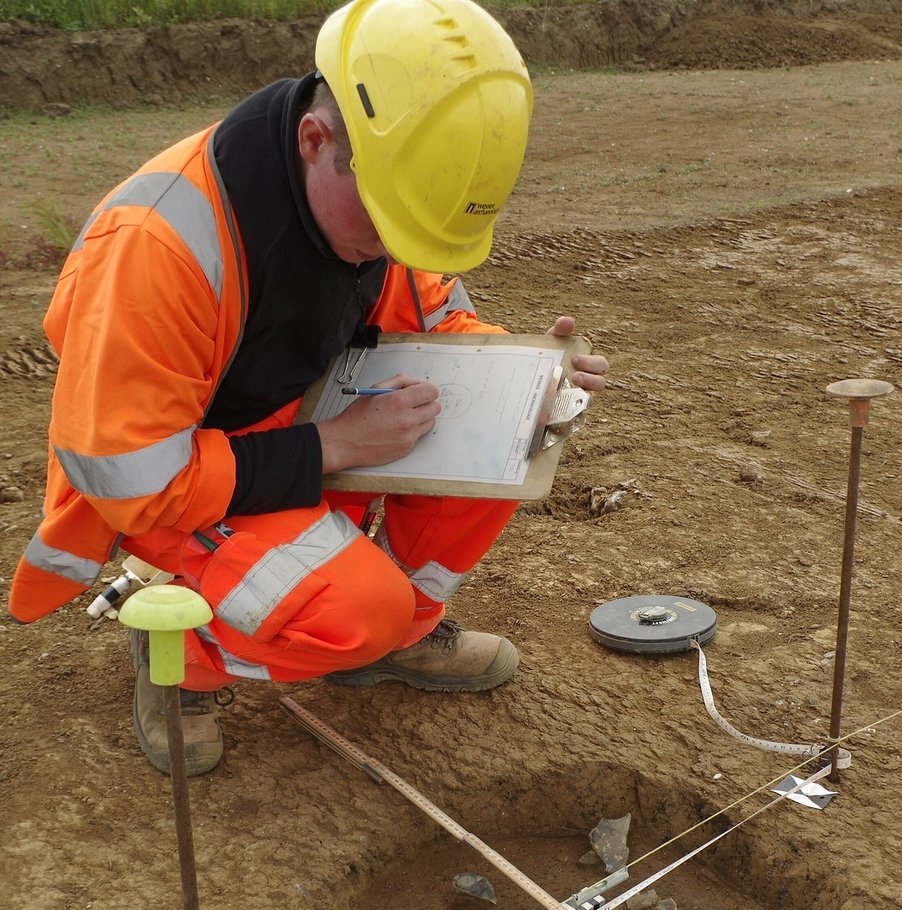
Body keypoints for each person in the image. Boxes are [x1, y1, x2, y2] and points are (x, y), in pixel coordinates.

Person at [7, 0, 608, 776]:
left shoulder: (364, 202)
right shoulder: (158, 250)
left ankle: (397, 639)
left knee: (501, 446)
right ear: (315, 140)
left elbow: (429, 322)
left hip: (298, 434)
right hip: (182, 480)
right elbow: (138, 483)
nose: (396, 249)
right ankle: (178, 650)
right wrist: (332, 447)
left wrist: (524, 373)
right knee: (358, 611)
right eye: (392, 219)